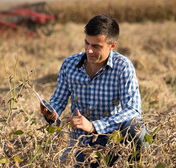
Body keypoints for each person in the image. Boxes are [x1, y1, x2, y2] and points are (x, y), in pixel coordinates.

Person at [40, 14, 148, 167]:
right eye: (87, 43)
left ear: (112, 46)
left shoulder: (123, 67)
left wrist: (94, 126)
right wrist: (51, 113)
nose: (89, 50)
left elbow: (134, 110)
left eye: (96, 46)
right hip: (81, 143)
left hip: (112, 140)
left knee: (136, 128)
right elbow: (58, 100)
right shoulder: (69, 65)